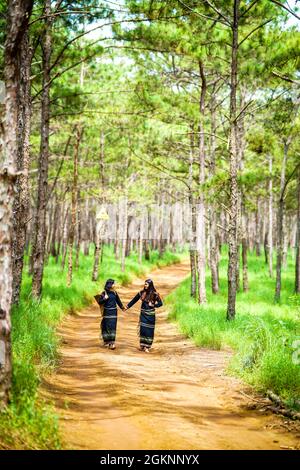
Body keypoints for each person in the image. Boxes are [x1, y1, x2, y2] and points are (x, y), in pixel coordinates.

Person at [125, 279, 163, 353]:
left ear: (150, 285)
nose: (145, 285)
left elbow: (160, 304)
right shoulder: (141, 293)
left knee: (149, 331)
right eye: (145, 284)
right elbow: (134, 300)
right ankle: (143, 345)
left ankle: (147, 347)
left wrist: (153, 305)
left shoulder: (155, 294)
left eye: (146, 284)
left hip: (151, 315)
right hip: (143, 315)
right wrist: (127, 307)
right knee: (143, 330)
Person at [95, 279, 125, 350]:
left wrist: (123, 308)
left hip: (114, 313)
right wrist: (104, 299)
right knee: (107, 327)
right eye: (114, 284)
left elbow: (118, 302)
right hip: (107, 313)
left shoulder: (115, 293)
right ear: (110, 285)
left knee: (113, 327)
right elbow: (99, 302)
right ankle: (107, 341)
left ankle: (112, 343)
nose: (115, 285)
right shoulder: (104, 293)